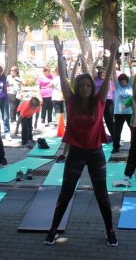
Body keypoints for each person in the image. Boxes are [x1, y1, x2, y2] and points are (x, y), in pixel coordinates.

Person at [44, 36, 119, 247]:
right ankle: (53, 229)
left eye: (88, 84)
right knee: (66, 192)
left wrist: (113, 55)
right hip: (76, 152)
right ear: (78, 87)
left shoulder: (99, 101)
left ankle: (110, 230)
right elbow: (62, 80)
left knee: (101, 193)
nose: (86, 87)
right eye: (82, 85)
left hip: (95, 152)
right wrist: (60, 55)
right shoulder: (71, 101)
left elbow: (106, 80)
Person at [112, 55, 134, 154]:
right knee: (117, 131)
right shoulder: (117, 86)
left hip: (130, 113)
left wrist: (130, 65)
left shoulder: (130, 86)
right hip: (119, 113)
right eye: (121, 80)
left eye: (125, 80)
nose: (123, 81)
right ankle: (116, 147)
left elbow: (133, 76)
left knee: (134, 131)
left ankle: (135, 146)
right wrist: (113, 62)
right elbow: (113, 74)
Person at [0, 65, 11, 140]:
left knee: (6, 117)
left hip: (4, 99)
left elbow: (7, 67)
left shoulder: (3, 77)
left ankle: (7, 132)